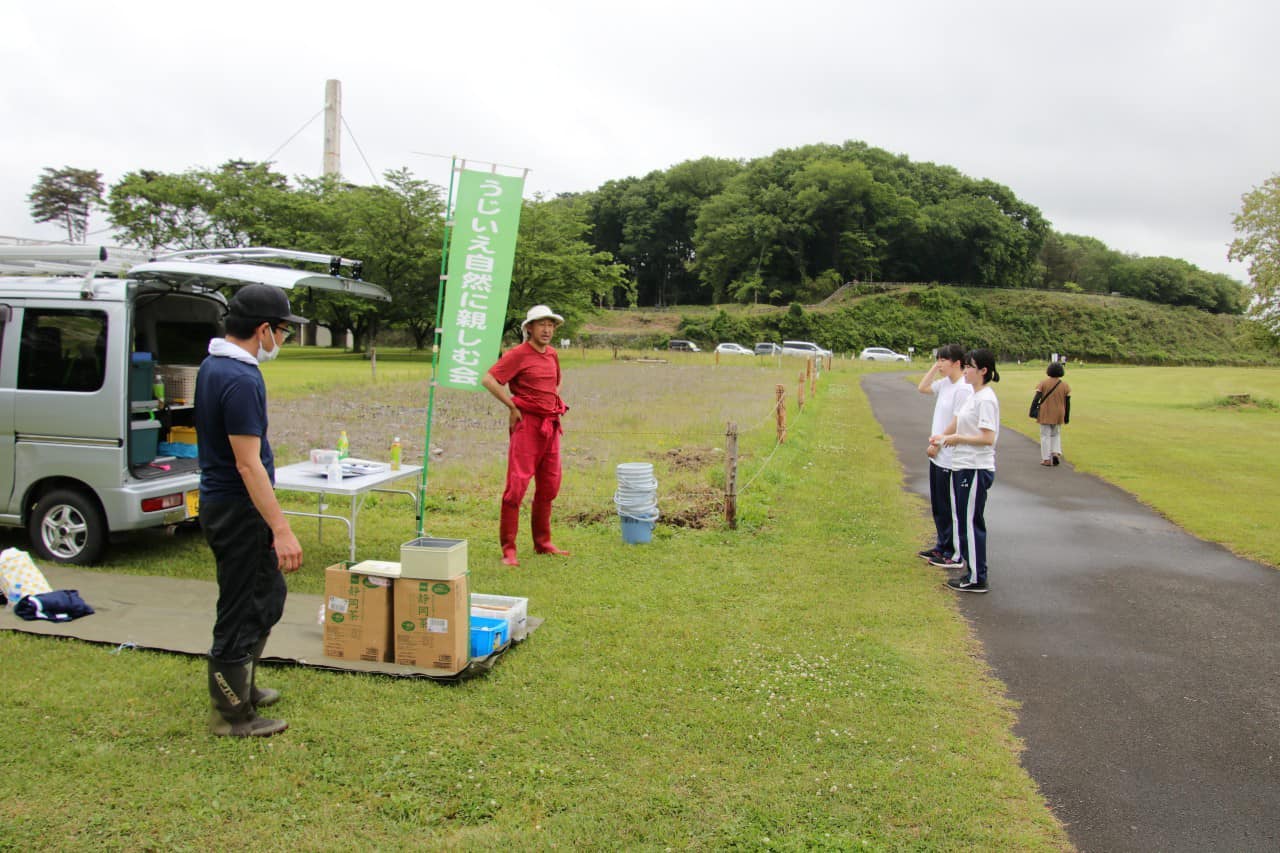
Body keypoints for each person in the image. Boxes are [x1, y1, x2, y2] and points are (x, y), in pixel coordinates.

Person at [195, 284, 305, 737]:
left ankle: (244, 685)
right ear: (263, 329)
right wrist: (281, 528)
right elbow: (247, 463)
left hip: (229, 504)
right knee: (242, 605)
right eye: (281, 329)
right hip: (238, 507)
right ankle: (234, 713)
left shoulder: (215, 364)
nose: (281, 338)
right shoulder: (239, 378)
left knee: (267, 595)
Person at [481, 305, 571, 567]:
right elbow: (489, 380)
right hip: (527, 425)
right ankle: (508, 549)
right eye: (541, 324)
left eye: (551, 325)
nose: (547, 330)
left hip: (550, 426)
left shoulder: (552, 354)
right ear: (529, 328)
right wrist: (512, 406)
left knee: (550, 485)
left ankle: (543, 543)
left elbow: (557, 382)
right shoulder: (518, 354)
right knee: (516, 487)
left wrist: (553, 400)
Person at [932, 348, 1000, 594]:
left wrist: (958, 438)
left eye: (971, 367)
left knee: (971, 522)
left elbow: (988, 438)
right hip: (963, 465)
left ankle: (977, 577)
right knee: (963, 519)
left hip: (975, 467)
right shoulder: (973, 396)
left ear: (983, 370)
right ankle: (971, 572)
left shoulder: (986, 399)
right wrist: (943, 437)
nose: (967, 371)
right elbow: (959, 421)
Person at [915, 344, 972, 570]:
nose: (940, 364)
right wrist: (934, 366)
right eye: (938, 360)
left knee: (949, 505)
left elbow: (957, 421)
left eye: (943, 360)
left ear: (957, 362)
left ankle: (952, 551)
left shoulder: (963, 388)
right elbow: (922, 387)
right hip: (936, 453)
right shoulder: (946, 383)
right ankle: (941, 544)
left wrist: (938, 442)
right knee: (938, 504)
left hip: (949, 454)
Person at [1034, 362, 1071, 466]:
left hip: (1045, 412)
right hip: (1059, 412)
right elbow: (1068, 402)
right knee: (1056, 434)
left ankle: (1046, 459)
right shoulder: (1065, 385)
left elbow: (1037, 398)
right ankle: (1055, 453)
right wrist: (1066, 416)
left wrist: (1032, 411)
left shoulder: (1043, 383)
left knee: (1045, 435)